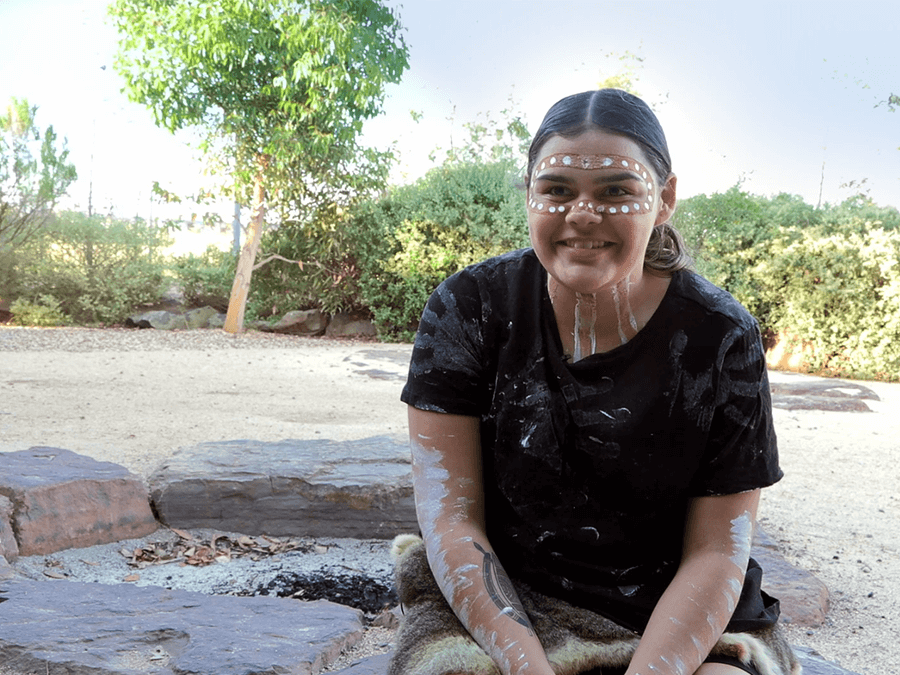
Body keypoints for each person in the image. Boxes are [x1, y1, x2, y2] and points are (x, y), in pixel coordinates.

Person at [393, 89, 795, 675]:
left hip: (679, 610)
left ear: (664, 199)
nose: (582, 213)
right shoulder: (467, 308)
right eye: (557, 189)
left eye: (615, 191)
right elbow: (452, 521)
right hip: (505, 600)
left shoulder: (722, 334)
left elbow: (715, 551)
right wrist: (527, 667)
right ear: (529, 194)